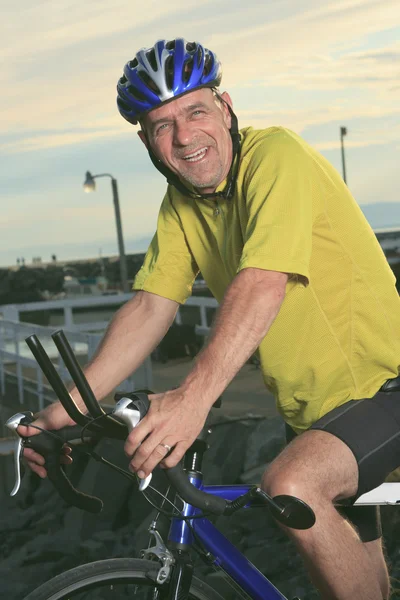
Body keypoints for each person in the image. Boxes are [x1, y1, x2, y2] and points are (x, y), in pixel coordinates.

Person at [20, 38, 400, 600]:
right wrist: (67, 410)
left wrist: (192, 398)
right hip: (317, 416)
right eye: (162, 125)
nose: (184, 136)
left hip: (384, 386)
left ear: (224, 107)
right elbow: (152, 305)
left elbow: (263, 281)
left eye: (195, 111)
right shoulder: (182, 203)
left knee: (291, 483)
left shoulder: (277, 157)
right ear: (146, 140)